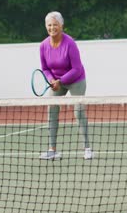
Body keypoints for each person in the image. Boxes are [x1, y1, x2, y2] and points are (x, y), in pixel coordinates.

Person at [38, 11, 93, 160]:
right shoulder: (43, 46)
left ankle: (87, 149)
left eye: (55, 24)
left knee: (79, 111)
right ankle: (52, 149)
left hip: (76, 80)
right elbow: (45, 68)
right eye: (49, 25)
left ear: (61, 26)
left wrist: (60, 81)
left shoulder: (70, 44)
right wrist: (51, 80)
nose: (52, 28)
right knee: (52, 110)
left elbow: (76, 68)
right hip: (56, 82)